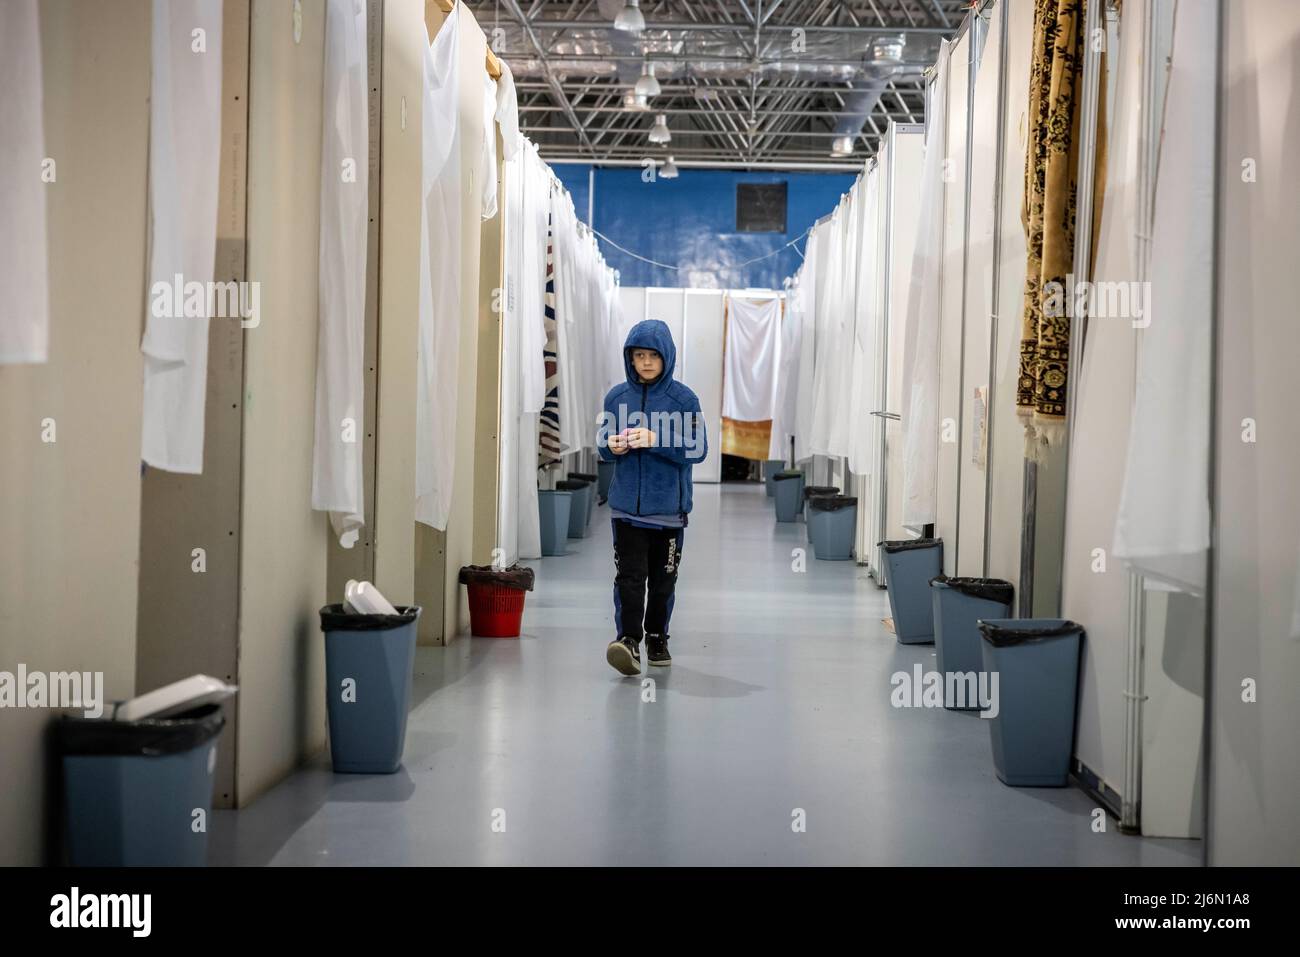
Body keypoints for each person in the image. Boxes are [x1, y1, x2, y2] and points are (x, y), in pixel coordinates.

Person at [597, 319, 708, 676]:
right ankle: (627, 640)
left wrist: (654, 437)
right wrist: (609, 445)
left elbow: (698, 447)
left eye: (653, 356)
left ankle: (657, 636)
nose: (645, 362)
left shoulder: (685, 399)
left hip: (669, 515)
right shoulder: (616, 398)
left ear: (667, 357)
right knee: (630, 578)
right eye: (638, 355)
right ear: (630, 358)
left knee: (663, 582)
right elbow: (603, 442)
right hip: (626, 511)